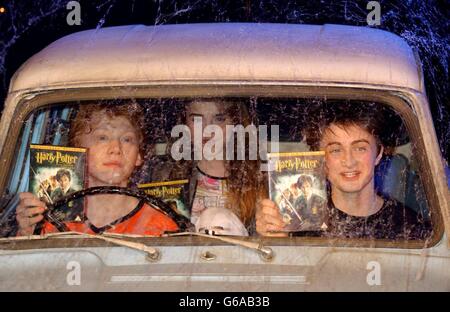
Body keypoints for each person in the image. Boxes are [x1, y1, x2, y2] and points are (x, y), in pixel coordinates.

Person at [256, 103, 431, 239]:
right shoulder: (298, 222)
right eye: (335, 150)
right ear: (321, 160)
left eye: (360, 148)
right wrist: (274, 238)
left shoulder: (410, 227)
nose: (349, 161)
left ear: (378, 154)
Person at [16, 101, 179, 236]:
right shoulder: (50, 218)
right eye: (102, 138)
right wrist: (27, 232)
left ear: (138, 156)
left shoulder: (161, 226)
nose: (116, 148)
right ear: (78, 149)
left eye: (127, 139)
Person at [151, 99, 266, 236]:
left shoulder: (258, 177)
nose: (207, 129)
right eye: (197, 120)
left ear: (236, 123)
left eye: (219, 119)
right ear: (184, 123)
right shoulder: (167, 175)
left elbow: (268, 240)